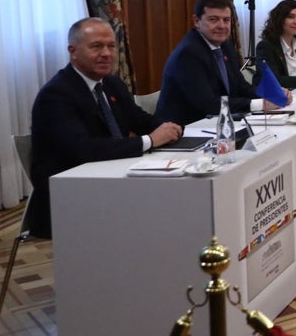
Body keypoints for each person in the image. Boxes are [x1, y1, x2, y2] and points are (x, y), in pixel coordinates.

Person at [26, 18, 183, 238]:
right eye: (96, 46)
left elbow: (139, 119)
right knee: (161, 209)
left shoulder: (111, 83)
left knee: (176, 198)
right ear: (73, 51)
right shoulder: (56, 95)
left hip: (115, 179)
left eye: (111, 46)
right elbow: (84, 149)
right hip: (69, 196)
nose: (107, 53)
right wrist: (150, 140)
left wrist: (169, 129)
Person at [156, 0, 289, 126]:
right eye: (213, 19)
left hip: (219, 122)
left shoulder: (225, 45)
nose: (221, 26)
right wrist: (260, 104)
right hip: (185, 130)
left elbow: (240, 87)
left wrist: (272, 93)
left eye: (226, 20)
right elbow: (209, 103)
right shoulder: (188, 54)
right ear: (197, 21)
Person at [255, 0, 296, 89]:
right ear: (280, 19)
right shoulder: (266, 47)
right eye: (291, 17)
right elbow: (275, 80)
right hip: (276, 99)